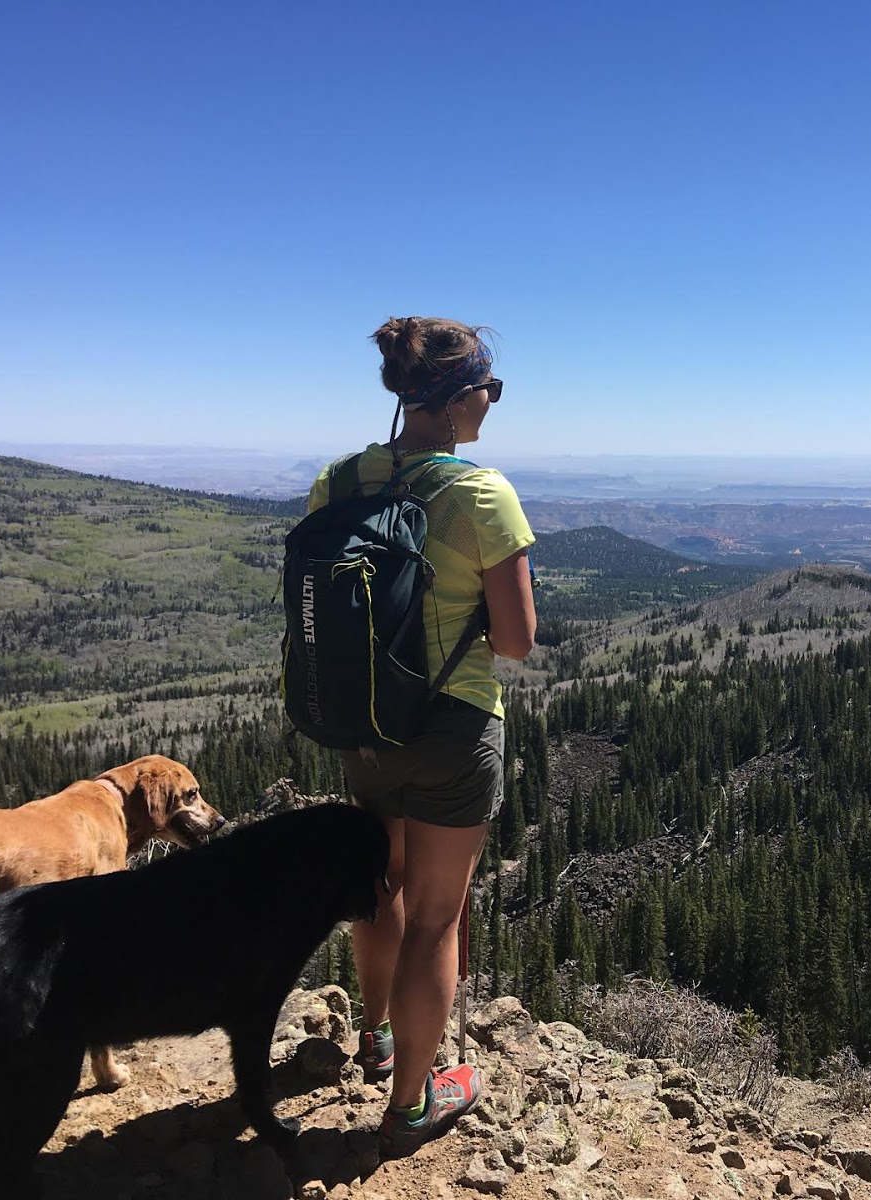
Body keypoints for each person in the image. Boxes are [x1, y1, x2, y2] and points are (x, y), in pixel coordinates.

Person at [306, 316, 537, 1158]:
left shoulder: (337, 481)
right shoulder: (481, 494)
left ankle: (370, 1035)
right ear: (454, 396)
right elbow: (514, 642)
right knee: (438, 917)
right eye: (489, 388)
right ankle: (412, 1104)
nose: (493, 403)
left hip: (361, 722)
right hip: (452, 726)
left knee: (383, 884)